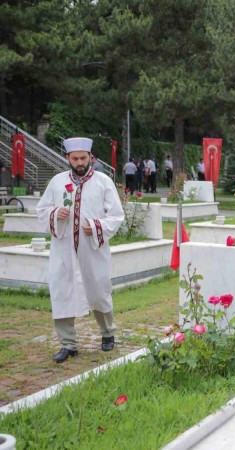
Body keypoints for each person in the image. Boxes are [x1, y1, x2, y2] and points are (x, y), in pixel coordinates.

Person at [35, 137, 124, 363]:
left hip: (92, 248)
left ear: (91, 158)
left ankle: (107, 334)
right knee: (62, 291)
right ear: (68, 158)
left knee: (99, 289)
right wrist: (56, 214)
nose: (79, 162)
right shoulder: (56, 182)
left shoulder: (103, 182)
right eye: (75, 159)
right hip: (63, 249)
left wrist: (96, 226)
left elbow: (116, 215)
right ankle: (68, 344)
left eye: (83, 158)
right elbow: (42, 210)